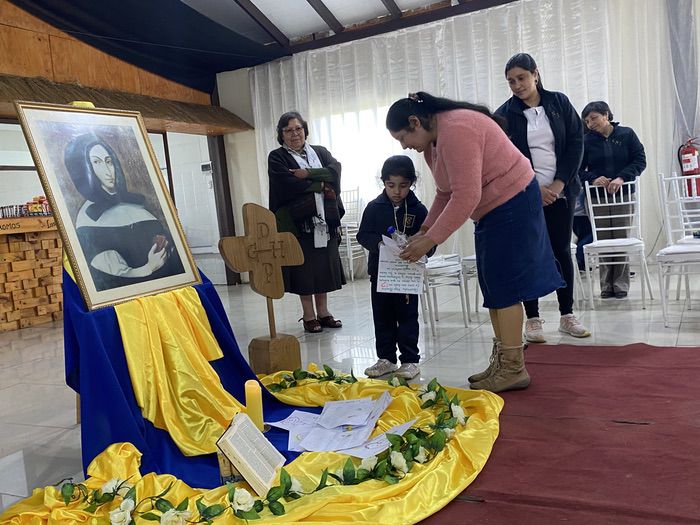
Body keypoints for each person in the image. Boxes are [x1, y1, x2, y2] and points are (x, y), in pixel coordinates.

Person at [386, 91, 564, 393]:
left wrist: (431, 240)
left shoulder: (456, 129)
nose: (404, 146)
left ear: (415, 122)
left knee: (505, 287)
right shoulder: (433, 142)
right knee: (493, 286)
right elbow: (445, 192)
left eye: (403, 137)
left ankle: (514, 368)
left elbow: (467, 196)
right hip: (493, 209)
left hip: (513, 202)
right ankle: (504, 361)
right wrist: (425, 230)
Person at [496, 52, 590, 343]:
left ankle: (567, 314)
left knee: (561, 250)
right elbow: (504, 159)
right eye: (511, 81)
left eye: (521, 78)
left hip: (561, 192)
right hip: (524, 194)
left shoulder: (559, 102)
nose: (517, 85)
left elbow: (576, 143)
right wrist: (533, 187)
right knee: (528, 252)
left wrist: (559, 185)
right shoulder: (504, 114)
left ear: (535, 74)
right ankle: (533, 317)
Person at [64, 133, 184, 291]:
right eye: (96, 162)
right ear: (82, 168)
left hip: (170, 287)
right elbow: (110, 277)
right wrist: (148, 268)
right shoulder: (89, 218)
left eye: (109, 161)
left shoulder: (135, 205)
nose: (108, 170)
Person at [267, 111, 346, 333]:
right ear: (281, 134)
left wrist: (306, 173)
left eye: (298, 128)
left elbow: (335, 171)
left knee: (323, 266)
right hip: (298, 223)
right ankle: (309, 315)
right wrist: (320, 183)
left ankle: (324, 312)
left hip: (325, 219)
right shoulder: (277, 157)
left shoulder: (320, 152)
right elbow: (287, 184)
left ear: (305, 130)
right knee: (304, 268)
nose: (295, 134)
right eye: (288, 130)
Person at [357, 155, 434, 380]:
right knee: (382, 316)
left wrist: (420, 249)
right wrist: (380, 245)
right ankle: (386, 359)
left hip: (407, 276)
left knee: (407, 317)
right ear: (383, 182)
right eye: (391, 185)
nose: (397, 191)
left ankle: (410, 360)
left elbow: (430, 240)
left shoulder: (418, 210)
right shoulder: (374, 207)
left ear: (412, 183)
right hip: (380, 274)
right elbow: (363, 235)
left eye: (403, 185)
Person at [579, 101, 647, 298]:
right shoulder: (586, 141)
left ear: (606, 115)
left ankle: (620, 284)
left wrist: (622, 177)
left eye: (593, 118)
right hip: (596, 198)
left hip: (623, 195)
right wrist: (593, 178)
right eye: (587, 121)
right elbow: (577, 170)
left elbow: (640, 160)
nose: (590, 124)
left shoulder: (627, 134)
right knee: (602, 240)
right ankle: (606, 285)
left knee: (620, 238)